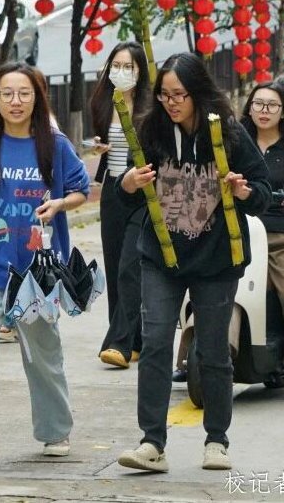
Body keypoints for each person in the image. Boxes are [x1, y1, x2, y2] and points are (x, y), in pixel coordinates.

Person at [116, 53, 270, 473]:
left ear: (198, 92)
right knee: (155, 343)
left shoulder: (228, 132)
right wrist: (128, 183)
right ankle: (152, 442)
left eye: (179, 95)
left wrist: (242, 192)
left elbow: (261, 191)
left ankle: (216, 440)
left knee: (214, 350)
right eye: (164, 95)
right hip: (161, 257)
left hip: (217, 259)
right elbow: (124, 195)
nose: (171, 103)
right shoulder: (150, 130)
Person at [0, 62, 90, 471]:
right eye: (6, 93)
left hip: (37, 270)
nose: (16, 101)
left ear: (37, 99)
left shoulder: (54, 144)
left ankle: (55, 429)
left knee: (43, 351)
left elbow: (81, 189)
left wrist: (59, 203)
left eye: (24, 93)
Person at [88, 42, 152, 369]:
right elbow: (103, 145)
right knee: (114, 268)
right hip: (112, 193)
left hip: (141, 195)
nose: (121, 72)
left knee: (130, 266)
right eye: (117, 65)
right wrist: (98, 148)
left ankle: (119, 344)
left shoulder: (149, 110)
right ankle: (135, 341)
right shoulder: (102, 102)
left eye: (129, 67)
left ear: (140, 72)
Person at [239, 81, 284, 386]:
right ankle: (193, 355)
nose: (264, 111)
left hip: (279, 236)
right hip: (240, 232)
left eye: (272, 105)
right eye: (258, 103)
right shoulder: (236, 142)